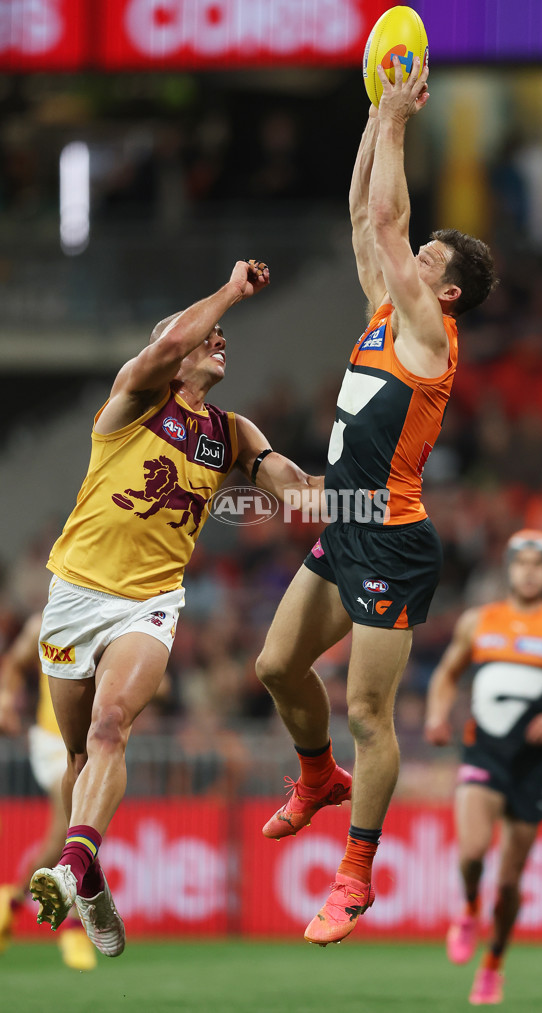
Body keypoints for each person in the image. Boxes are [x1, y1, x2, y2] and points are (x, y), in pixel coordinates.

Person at [255, 57, 498, 946]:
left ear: (445, 291)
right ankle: (317, 778)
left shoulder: (432, 330)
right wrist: (372, 113)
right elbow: (369, 215)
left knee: (367, 711)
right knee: (276, 669)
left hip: (393, 540)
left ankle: (355, 875)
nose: (409, 254)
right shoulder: (382, 313)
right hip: (344, 527)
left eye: (427, 259)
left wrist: (398, 116)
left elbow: (390, 220)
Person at [29, 259, 321, 956]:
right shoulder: (133, 398)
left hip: (150, 603)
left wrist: (367, 495)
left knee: (108, 728)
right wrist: (229, 290)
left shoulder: (232, 431)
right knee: (76, 757)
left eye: (223, 334)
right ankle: (92, 884)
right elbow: (162, 348)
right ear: (174, 346)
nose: (220, 342)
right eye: (207, 335)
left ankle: (69, 869)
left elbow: (296, 491)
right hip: (74, 595)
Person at [425, 529, 542, 1005]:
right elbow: (446, 673)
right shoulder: (479, 622)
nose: (529, 571)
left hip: (532, 764)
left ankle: (493, 964)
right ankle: (467, 908)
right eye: (521, 562)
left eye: (539, 564)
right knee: (471, 854)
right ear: (508, 568)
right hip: (482, 753)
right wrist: (438, 715)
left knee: (509, 880)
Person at [0, 615, 96, 969]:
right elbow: (15, 662)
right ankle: (72, 928)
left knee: (82, 835)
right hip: (53, 742)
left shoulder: (115, 616)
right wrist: (6, 698)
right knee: (68, 832)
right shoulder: (45, 622)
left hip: (90, 747)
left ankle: (10, 901)